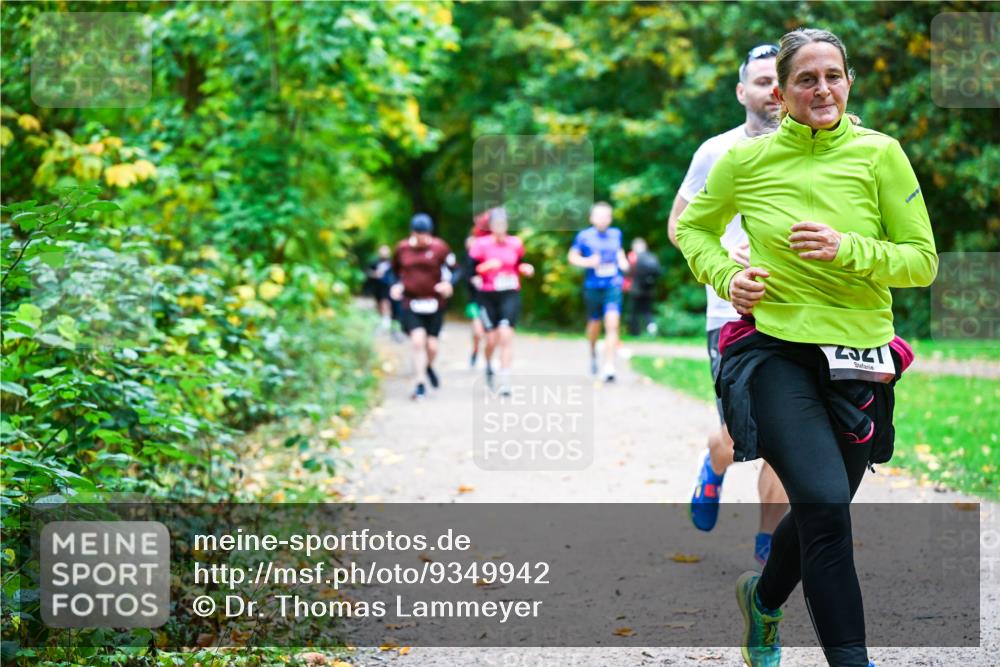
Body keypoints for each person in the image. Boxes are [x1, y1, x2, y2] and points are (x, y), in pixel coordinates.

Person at [676, 28, 936, 667]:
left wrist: (850, 249)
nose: (822, 89)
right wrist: (725, 274)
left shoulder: (881, 155)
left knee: (825, 508)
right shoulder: (744, 161)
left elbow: (922, 262)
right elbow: (692, 228)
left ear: (848, 81)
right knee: (822, 504)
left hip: (859, 354)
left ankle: (763, 603)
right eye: (806, 80)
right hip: (774, 346)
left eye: (833, 76)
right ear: (782, 94)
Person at [667, 43, 790, 568]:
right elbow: (678, 227)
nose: (773, 91)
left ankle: (769, 545)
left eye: (780, 80)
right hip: (730, 314)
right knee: (742, 434)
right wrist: (722, 255)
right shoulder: (716, 152)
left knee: (789, 436)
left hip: (796, 313)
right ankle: (715, 467)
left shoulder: (816, 150)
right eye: (762, 81)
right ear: (742, 91)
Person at [390, 213, 457, 400]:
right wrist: (396, 285)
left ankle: (428, 366)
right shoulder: (402, 249)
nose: (423, 239)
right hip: (411, 302)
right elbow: (393, 272)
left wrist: (449, 284)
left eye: (426, 235)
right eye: (420, 235)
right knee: (418, 341)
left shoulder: (440, 247)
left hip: (435, 303)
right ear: (413, 233)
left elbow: (456, 270)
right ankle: (419, 383)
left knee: (432, 346)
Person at [468, 207, 534, 394]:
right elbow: (470, 273)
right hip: (487, 296)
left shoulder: (515, 243)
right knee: (491, 339)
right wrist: (485, 268)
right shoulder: (480, 245)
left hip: (509, 293)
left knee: (506, 335)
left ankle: (505, 379)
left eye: (503, 225)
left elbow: (519, 264)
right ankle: (489, 363)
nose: (500, 228)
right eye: (496, 225)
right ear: (491, 226)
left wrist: (525, 268)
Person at [568, 202, 629, 382]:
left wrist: (623, 262)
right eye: (599, 216)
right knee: (594, 324)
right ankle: (593, 353)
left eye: (607, 216)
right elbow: (572, 257)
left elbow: (619, 253)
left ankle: (609, 366)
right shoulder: (584, 236)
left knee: (612, 324)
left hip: (613, 284)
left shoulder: (616, 234)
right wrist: (587, 262)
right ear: (592, 218)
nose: (603, 219)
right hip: (593, 287)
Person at [464, 210, 492, 368]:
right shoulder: (473, 244)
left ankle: (487, 359)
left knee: (489, 333)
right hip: (474, 297)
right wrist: (474, 279)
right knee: (478, 331)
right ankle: (475, 351)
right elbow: (468, 270)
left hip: (491, 296)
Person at [625, 238, 661, 336]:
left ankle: (634, 333)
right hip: (649, 290)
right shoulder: (652, 256)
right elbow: (658, 272)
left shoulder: (633, 257)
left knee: (633, 312)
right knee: (647, 311)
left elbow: (628, 272)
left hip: (636, 289)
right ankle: (652, 329)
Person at [365, 244, 394, 334]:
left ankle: (387, 323)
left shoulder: (392, 263)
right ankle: (382, 322)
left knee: (386, 303)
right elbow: (367, 272)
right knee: (378, 304)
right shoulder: (374, 262)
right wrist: (374, 274)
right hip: (377, 287)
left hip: (388, 286)